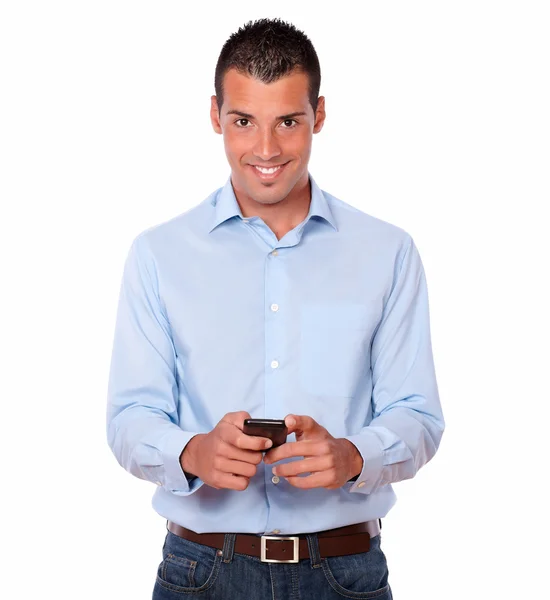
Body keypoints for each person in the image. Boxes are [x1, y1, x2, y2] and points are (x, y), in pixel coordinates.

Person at [106, 17, 445, 600]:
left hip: (344, 573)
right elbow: (129, 417)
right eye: (244, 122)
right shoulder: (158, 255)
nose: (265, 150)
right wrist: (192, 452)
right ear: (216, 115)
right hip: (200, 572)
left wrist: (353, 455)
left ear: (318, 115)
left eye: (288, 121)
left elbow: (418, 414)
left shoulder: (388, 252)